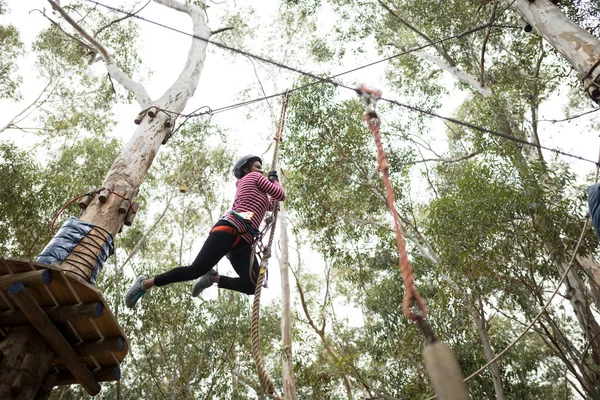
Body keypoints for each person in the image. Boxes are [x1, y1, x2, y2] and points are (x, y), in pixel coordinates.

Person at [125, 154, 286, 309]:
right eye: (258, 167)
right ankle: (145, 283)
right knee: (194, 270)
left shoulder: (259, 191)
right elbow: (280, 194)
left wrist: (273, 184)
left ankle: (213, 278)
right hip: (230, 229)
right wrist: (275, 181)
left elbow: (275, 205)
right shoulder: (253, 178)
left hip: (243, 241)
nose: (261, 170)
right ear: (246, 170)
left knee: (252, 285)